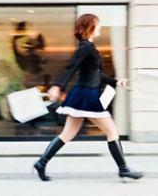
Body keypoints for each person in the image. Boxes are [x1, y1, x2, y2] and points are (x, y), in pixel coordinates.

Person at [33, 13, 144, 181]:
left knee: (68, 133)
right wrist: (57, 86)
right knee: (111, 131)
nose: (100, 27)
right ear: (90, 27)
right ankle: (123, 169)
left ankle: (41, 163)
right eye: (97, 24)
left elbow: (97, 74)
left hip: (83, 94)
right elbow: (71, 67)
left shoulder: (89, 47)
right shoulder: (85, 47)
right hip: (86, 96)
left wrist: (116, 82)